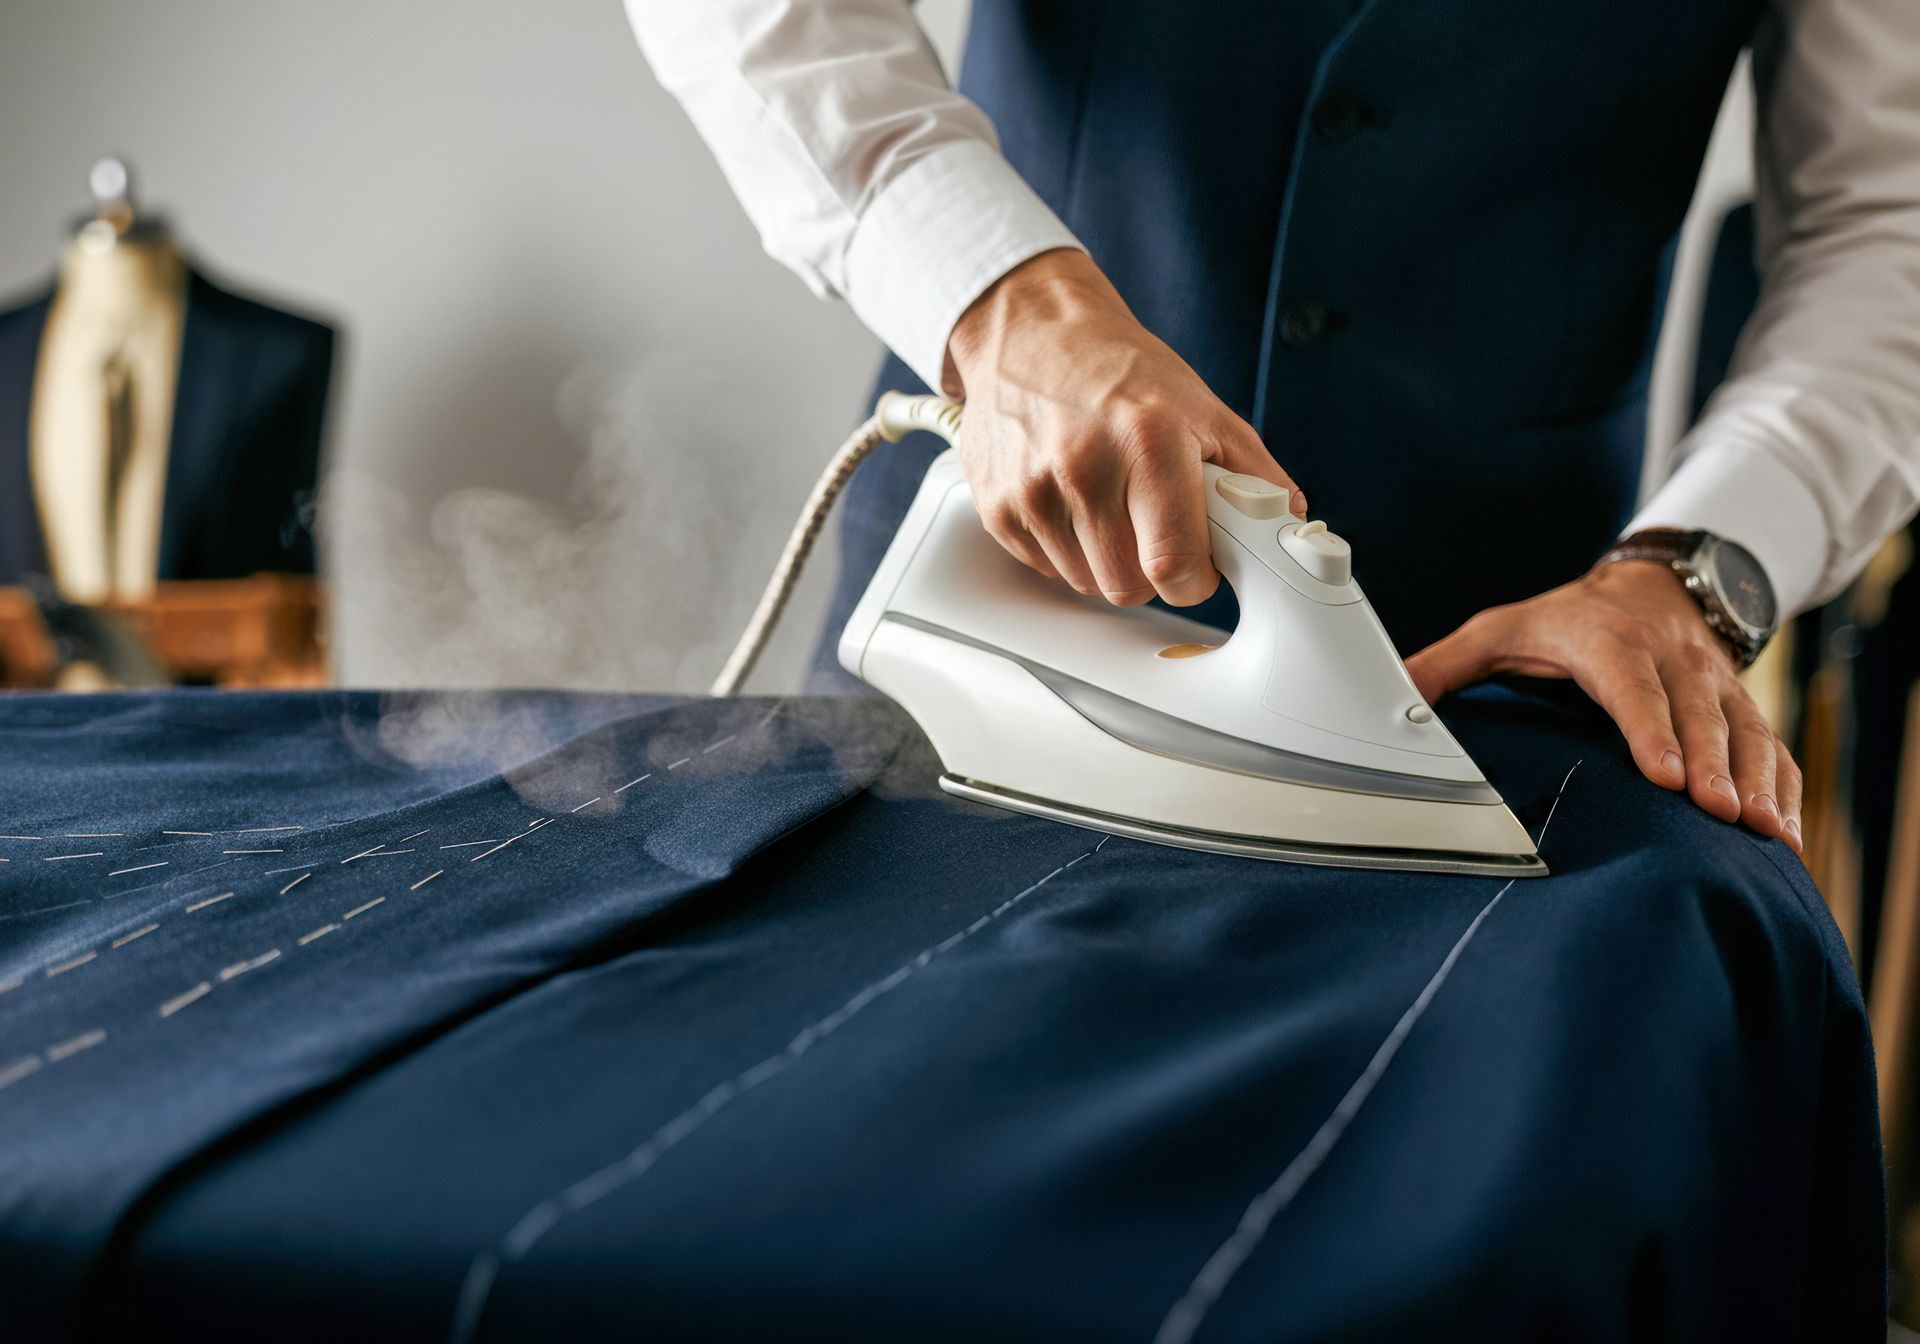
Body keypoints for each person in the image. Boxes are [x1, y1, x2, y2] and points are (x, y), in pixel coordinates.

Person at [627, 1, 1919, 853]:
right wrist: (1009, 305)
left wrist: (1692, 571)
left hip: (1518, 651)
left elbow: (1890, 220)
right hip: (994, 541)